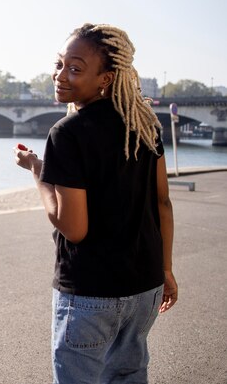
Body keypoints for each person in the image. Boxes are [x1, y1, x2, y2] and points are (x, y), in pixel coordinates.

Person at [14, 23, 178, 383]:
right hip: (145, 287)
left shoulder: (67, 133)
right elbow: (162, 204)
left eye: (75, 68)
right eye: (59, 64)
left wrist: (36, 172)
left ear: (106, 78)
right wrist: (165, 269)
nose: (60, 76)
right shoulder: (146, 126)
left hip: (90, 294)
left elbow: (73, 228)